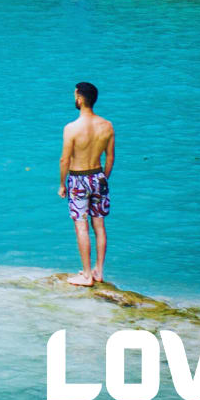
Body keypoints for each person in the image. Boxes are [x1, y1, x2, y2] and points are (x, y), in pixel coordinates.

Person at [57, 81, 114, 286]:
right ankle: (99, 271)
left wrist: (62, 184)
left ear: (80, 99)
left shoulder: (71, 128)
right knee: (99, 225)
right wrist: (103, 178)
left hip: (78, 179)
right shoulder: (107, 125)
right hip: (98, 176)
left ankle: (87, 275)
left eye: (75, 95)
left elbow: (65, 159)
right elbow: (110, 158)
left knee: (81, 227)